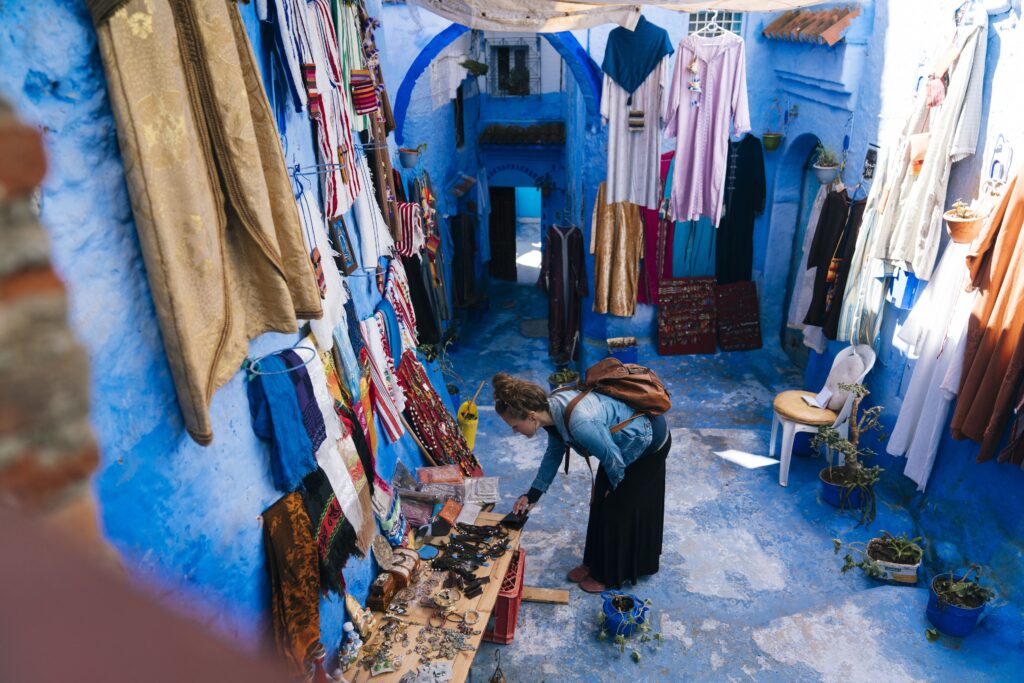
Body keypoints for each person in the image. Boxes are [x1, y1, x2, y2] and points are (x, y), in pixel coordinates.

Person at [492, 372, 671, 593]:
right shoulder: (550, 411)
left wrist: (615, 492)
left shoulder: (579, 422)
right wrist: (532, 495)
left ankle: (608, 575)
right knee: (598, 504)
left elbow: (613, 460)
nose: (514, 431)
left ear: (531, 416)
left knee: (616, 510)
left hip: (648, 444)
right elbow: (553, 453)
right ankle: (593, 563)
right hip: (622, 444)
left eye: (515, 426)